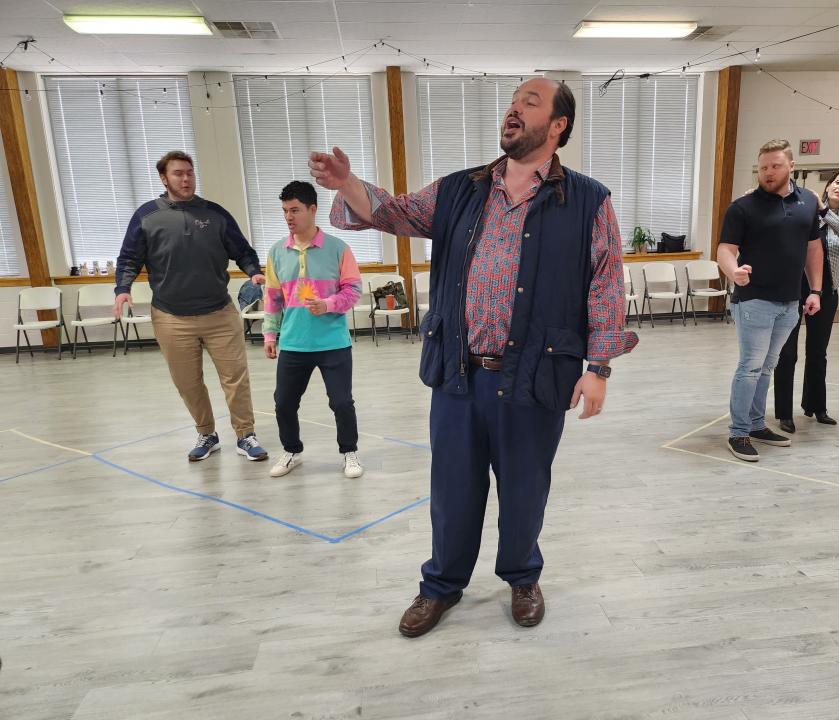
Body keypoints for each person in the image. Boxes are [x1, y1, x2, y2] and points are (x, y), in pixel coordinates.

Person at [310, 77, 637, 637]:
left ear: (557, 126)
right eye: (512, 101)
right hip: (458, 373)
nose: (514, 109)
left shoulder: (588, 200)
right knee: (452, 489)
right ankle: (440, 585)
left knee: (526, 487)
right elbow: (392, 213)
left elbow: (606, 286)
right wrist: (349, 185)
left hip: (536, 374)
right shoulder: (462, 189)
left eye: (529, 103)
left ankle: (522, 577)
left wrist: (599, 368)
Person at [114, 150, 269, 463]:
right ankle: (207, 434)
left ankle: (245, 434)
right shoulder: (146, 216)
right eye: (178, 174)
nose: (185, 179)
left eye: (189, 173)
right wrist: (122, 289)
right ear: (164, 178)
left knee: (235, 378)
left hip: (219, 312)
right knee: (188, 381)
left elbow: (242, 250)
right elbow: (129, 257)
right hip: (171, 317)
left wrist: (253, 271)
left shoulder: (215, 214)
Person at [717, 139, 823, 463]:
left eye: (775, 166)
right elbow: (725, 249)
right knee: (750, 367)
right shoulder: (743, 207)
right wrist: (734, 272)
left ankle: (756, 423)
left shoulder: (808, 203)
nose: (768, 172)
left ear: (791, 165)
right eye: (763, 167)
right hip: (754, 301)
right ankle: (738, 432)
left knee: (767, 368)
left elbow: (813, 248)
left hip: (790, 303)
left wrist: (815, 290)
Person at [262, 181, 364, 479]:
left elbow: (354, 290)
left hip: (333, 342)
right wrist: (270, 335)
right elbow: (273, 297)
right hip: (294, 343)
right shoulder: (277, 252)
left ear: (312, 209)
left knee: (342, 402)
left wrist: (329, 304)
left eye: (295, 210)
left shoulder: (338, 249)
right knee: (283, 403)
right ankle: (291, 450)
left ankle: (349, 452)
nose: (288, 217)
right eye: (284, 211)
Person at [774, 167, 839, 433]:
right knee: (787, 352)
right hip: (793, 287)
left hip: (827, 290)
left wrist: (825, 212)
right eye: (838, 181)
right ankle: (783, 413)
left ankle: (817, 407)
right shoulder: (805, 209)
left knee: (817, 351)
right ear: (828, 185)